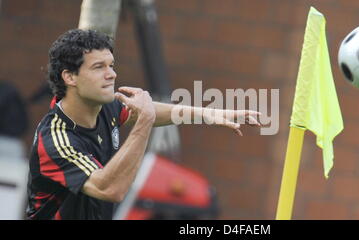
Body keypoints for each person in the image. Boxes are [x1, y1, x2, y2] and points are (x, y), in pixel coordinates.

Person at [26, 29, 260, 220]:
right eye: (99, 67)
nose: (112, 74)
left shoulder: (104, 107)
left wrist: (208, 114)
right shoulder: (56, 139)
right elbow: (110, 189)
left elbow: (148, 112)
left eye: (111, 65)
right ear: (70, 77)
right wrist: (144, 121)